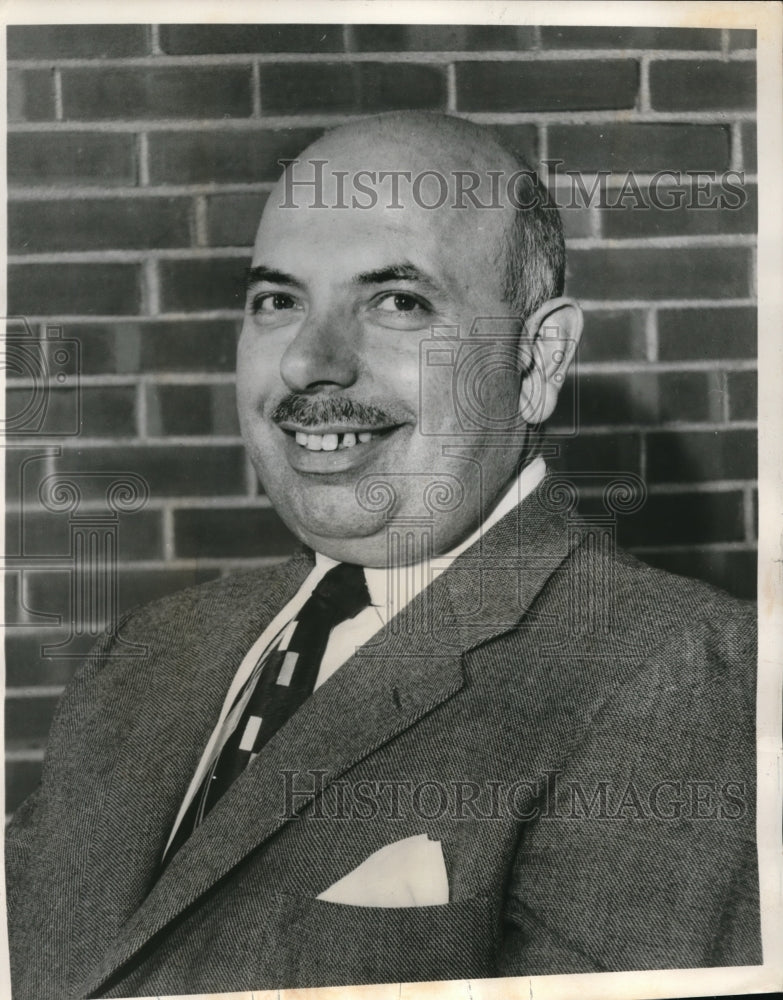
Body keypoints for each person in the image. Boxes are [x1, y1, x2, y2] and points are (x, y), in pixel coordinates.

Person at [5, 112, 760, 999]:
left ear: (535, 358)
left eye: (398, 302)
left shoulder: (680, 674)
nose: (309, 365)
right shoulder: (144, 654)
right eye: (277, 301)